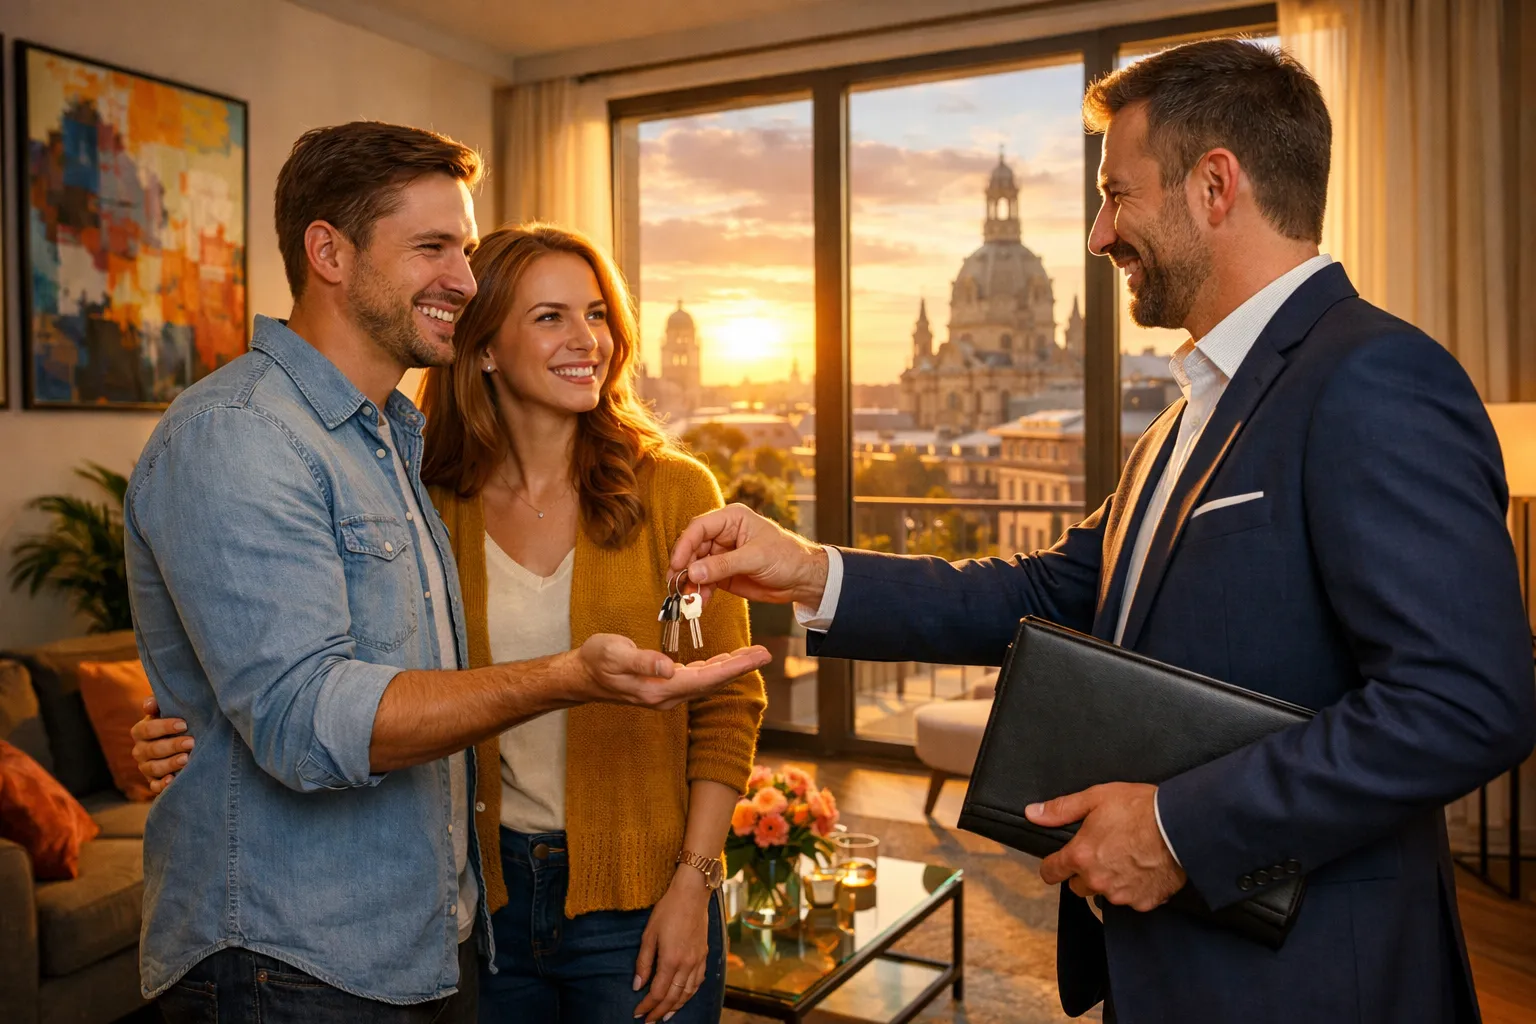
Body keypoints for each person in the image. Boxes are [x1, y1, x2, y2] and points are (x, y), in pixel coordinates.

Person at [665, 39, 1536, 1024]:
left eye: (1118, 194)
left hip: (1315, 978)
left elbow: (1469, 699)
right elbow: (1044, 593)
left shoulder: (1374, 376)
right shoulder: (1183, 416)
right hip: (1175, 967)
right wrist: (811, 569)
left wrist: (1174, 829)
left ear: (1216, 186)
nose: (1096, 233)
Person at [125, 122, 768, 1024]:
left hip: (464, 926)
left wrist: (694, 880)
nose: (460, 279)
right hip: (390, 938)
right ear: (330, 253)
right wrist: (567, 678)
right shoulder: (302, 449)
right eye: (434, 248)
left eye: (464, 251)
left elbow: (721, 705)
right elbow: (303, 709)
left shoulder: (393, 448)